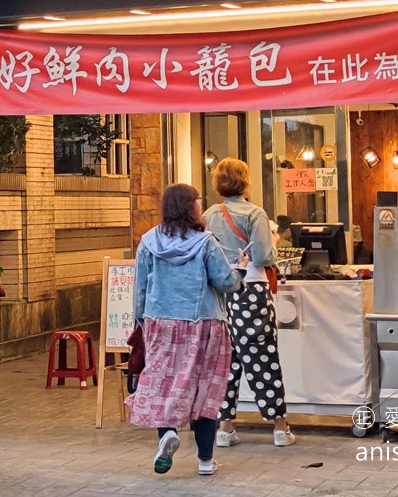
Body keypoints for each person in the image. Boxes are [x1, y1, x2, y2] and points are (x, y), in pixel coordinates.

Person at [126, 183, 247, 477]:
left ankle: (167, 434)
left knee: (164, 385)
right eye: (197, 200)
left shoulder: (148, 241)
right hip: (203, 325)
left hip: (160, 323)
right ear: (190, 207)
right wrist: (240, 267)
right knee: (204, 389)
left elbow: (139, 288)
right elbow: (226, 282)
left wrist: (141, 323)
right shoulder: (205, 242)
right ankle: (205, 460)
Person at [202, 158, 297, 449]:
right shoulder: (255, 213)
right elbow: (264, 257)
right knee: (262, 356)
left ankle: (224, 427)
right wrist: (275, 240)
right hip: (251, 290)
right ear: (245, 181)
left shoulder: (209, 214)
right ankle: (280, 428)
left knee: (225, 359)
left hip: (219, 292)